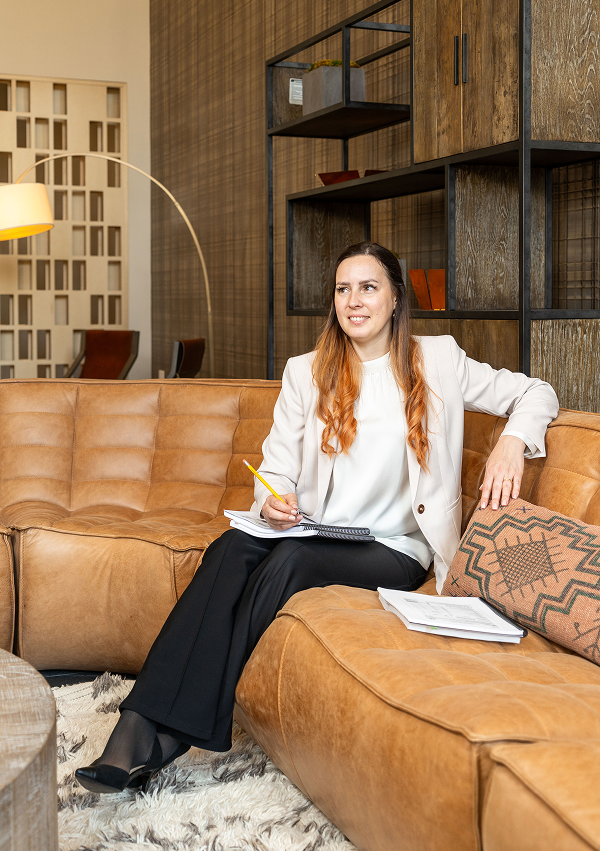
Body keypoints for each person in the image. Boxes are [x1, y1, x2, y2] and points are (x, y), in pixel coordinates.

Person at [76, 241, 559, 794]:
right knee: (229, 549)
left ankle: (163, 732)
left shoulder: (440, 361)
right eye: (343, 289)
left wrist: (512, 444)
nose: (354, 301)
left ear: (396, 298)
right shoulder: (307, 373)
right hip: (315, 529)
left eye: (369, 287)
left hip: (394, 547)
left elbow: (537, 392)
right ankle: (141, 729)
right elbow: (278, 470)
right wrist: (273, 501)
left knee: (292, 561)